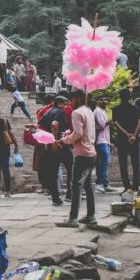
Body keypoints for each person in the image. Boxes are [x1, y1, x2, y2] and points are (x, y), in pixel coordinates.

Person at [58, 90, 97, 227]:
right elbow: (83, 131)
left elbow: (78, 134)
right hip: (91, 152)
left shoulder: (76, 113)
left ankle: (73, 218)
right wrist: (70, 134)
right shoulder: (89, 112)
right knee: (88, 185)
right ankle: (91, 216)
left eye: (72, 100)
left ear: (78, 99)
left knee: (76, 185)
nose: (70, 103)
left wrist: (64, 140)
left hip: (83, 154)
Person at [37, 95, 68, 206]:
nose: (66, 106)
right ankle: (70, 194)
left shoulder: (48, 112)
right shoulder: (59, 112)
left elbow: (39, 125)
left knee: (53, 172)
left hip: (49, 145)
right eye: (65, 104)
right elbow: (54, 124)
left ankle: (55, 198)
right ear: (59, 103)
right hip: (59, 145)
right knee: (71, 168)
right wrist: (55, 141)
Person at [112, 89, 140, 192]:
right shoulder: (136, 108)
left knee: (123, 164)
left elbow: (116, 124)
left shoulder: (116, 109)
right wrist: (134, 135)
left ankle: (127, 186)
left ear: (120, 97)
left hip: (122, 139)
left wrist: (126, 134)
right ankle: (136, 186)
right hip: (134, 139)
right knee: (135, 162)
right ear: (130, 97)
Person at [94, 95, 113, 193]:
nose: (104, 101)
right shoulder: (98, 111)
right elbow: (102, 125)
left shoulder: (104, 111)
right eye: (101, 99)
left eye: (105, 99)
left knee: (104, 163)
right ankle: (100, 184)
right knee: (103, 163)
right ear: (98, 101)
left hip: (105, 141)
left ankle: (104, 183)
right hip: (100, 141)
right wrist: (112, 119)